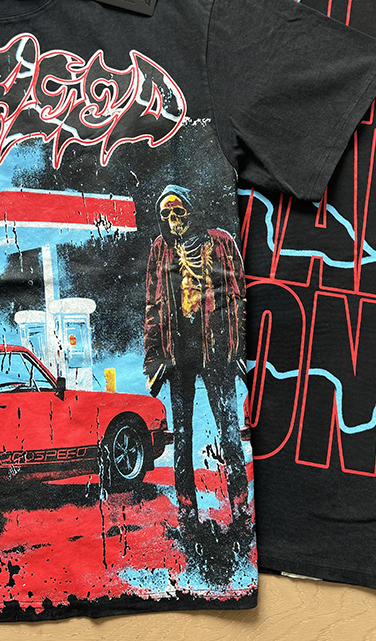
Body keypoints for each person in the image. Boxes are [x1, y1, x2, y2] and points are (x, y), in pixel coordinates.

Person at [143, 184, 249, 528]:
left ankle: (241, 507)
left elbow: (238, 296)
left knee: (229, 431)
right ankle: (187, 512)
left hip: (217, 351)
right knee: (183, 435)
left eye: (179, 212)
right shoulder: (160, 248)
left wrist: (239, 348)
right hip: (179, 356)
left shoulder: (220, 242)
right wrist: (154, 359)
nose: (173, 220)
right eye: (166, 215)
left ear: (192, 211)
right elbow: (153, 304)